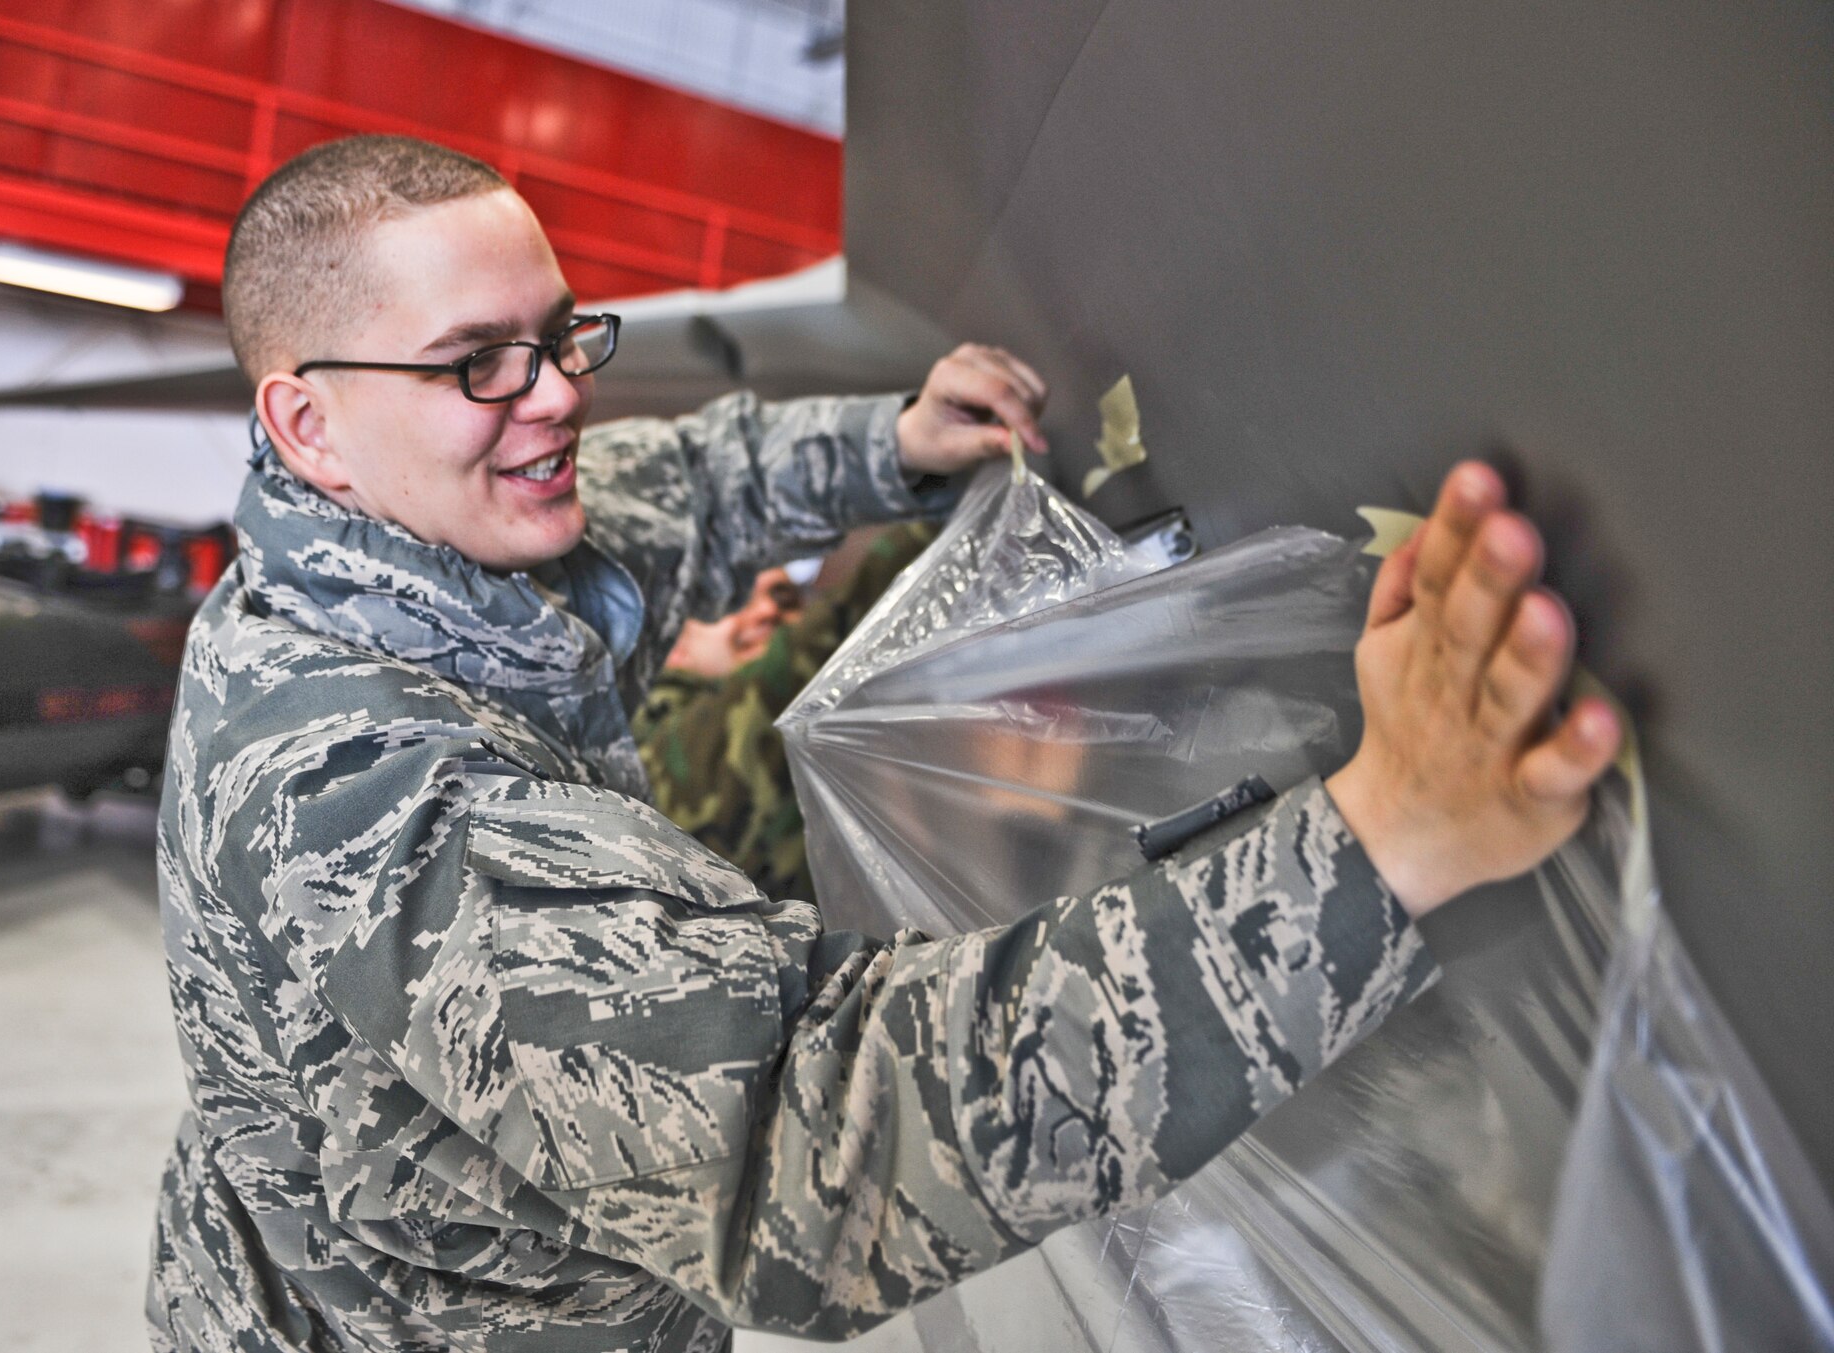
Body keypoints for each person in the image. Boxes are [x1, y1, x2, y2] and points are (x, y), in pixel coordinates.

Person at [148, 134, 1621, 1352]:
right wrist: (1376, 848)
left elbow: (677, 487)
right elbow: (818, 1136)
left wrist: (887, 447)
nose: (557, 396)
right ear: (310, 424)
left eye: (559, 335)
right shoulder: (371, 788)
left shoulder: (430, 557)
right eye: (479, 362)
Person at [634, 525, 936, 902]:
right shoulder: (647, 755)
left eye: (786, 599)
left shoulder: (842, 734)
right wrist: (927, 528)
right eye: (734, 601)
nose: (767, 610)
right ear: (673, 645)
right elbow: (801, 655)